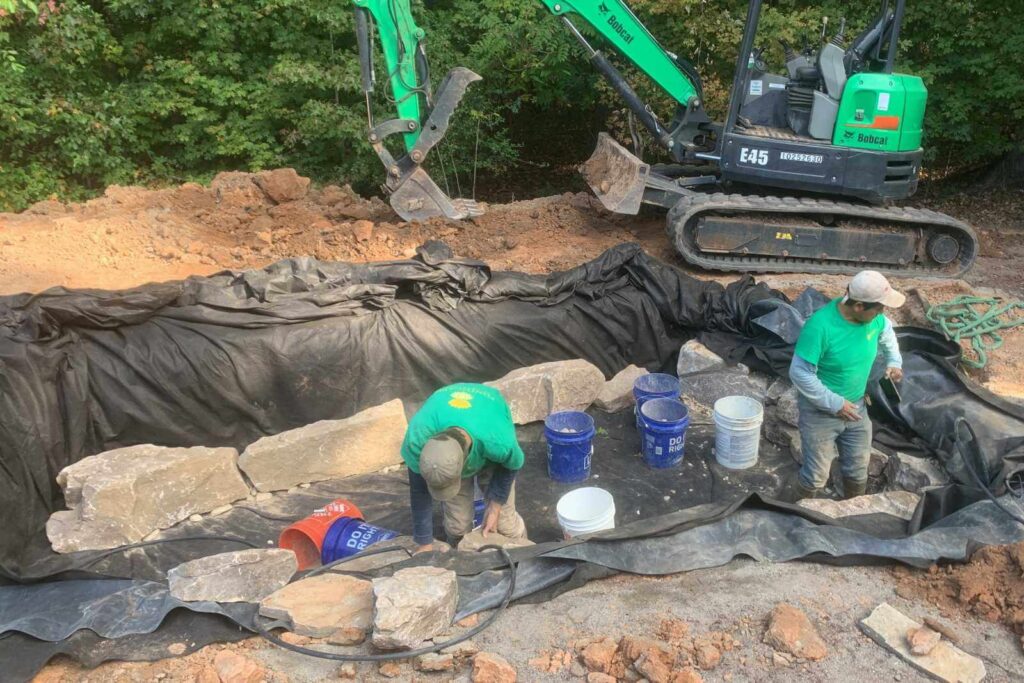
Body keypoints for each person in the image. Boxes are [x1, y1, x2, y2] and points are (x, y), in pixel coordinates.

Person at [789, 270, 905, 500]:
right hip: (820, 413)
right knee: (815, 476)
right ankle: (790, 514)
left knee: (858, 469)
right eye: (879, 308)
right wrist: (834, 403)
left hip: (857, 408)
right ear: (859, 306)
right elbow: (800, 373)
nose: (883, 312)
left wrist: (894, 361)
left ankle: (852, 510)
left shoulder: (875, 319)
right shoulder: (820, 327)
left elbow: (887, 333)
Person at [401, 382, 528, 552]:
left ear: (464, 464)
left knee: (505, 525)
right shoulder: (417, 441)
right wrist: (424, 543)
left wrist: (495, 506)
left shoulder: (498, 441)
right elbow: (419, 492)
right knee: (457, 528)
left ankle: (526, 553)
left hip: (486, 414)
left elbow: (510, 466)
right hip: (445, 407)